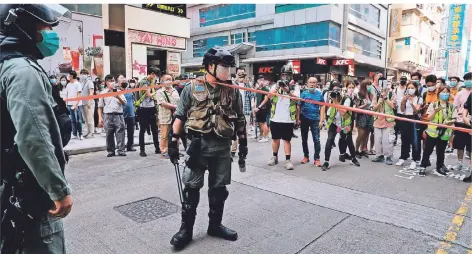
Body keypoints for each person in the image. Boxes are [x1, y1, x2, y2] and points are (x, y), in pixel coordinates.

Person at [0, 4, 73, 253]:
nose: (52, 34)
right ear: (24, 28)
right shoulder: (22, 71)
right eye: (46, 27)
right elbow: (33, 137)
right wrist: (58, 190)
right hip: (28, 194)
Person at [167, 47, 247, 249]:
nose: (227, 71)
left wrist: (243, 143)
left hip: (222, 147)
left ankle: (215, 225)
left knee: (219, 189)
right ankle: (186, 230)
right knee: (191, 188)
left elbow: (239, 118)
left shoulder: (232, 90)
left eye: (229, 67)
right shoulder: (192, 88)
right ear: (210, 66)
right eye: (223, 66)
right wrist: (173, 141)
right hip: (197, 146)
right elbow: (180, 116)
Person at [263, 64, 298, 170]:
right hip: (275, 118)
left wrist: (288, 90)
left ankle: (287, 160)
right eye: (283, 75)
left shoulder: (295, 87)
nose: (285, 77)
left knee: (287, 140)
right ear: (280, 75)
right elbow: (269, 96)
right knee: (275, 139)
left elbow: (297, 99)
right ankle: (274, 157)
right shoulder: (275, 86)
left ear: (291, 76)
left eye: (287, 75)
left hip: (288, 118)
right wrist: (278, 87)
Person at [319, 84, 360, 171]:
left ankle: (353, 158)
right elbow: (327, 111)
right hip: (334, 123)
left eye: (338, 91)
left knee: (349, 141)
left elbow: (343, 113)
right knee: (329, 140)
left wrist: (336, 102)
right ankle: (326, 161)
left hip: (345, 123)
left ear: (341, 91)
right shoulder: (330, 99)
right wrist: (323, 121)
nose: (336, 95)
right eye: (334, 92)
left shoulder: (347, 99)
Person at [419, 87, 457, 176]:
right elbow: (428, 118)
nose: (445, 94)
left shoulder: (452, 106)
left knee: (441, 151)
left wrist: (450, 122)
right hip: (432, 132)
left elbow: (455, 118)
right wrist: (435, 112)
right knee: (427, 150)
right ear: (439, 94)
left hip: (444, 133)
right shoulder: (433, 104)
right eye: (443, 92)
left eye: (447, 92)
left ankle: (439, 166)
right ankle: (423, 166)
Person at [97, 74, 127, 157]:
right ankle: (110, 151)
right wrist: (100, 118)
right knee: (109, 133)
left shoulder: (119, 91)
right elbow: (100, 107)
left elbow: (124, 103)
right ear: (107, 82)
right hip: (108, 115)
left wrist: (118, 97)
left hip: (118, 115)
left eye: (113, 81)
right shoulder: (103, 93)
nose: (113, 83)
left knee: (120, 132)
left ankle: (121, 150)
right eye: (111, 81)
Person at [297, 77, 324, 166]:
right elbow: (299, 106)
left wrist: (321, 120)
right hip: (304, 118)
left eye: (314, 82)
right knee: (304, 139)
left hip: (315, 120)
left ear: (317, 84)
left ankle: (317, 158)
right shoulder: (303, 94)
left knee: (316, 140)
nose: (312, 84)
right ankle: (306, 156)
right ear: (307, 83)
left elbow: (323, 106)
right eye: (310, 82)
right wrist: (298, 118)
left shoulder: (319, 94)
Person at [137, 66, 161, 157]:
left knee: (154, 129)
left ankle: (157, 148)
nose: (156, 78)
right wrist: (156, 93)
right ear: (152, 74)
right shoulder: (144, 82)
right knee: (142, 130)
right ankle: (142, 150)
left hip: (151, 108)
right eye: (156, 76)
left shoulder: (151, 82)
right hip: (144, 109)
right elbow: (148, 95)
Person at [399, 80, 423, 169]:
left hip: (414, 120)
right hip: (405, 118)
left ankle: (414, 159)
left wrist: (412, 104)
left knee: (414, 140)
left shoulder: (419, 98)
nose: (410, 89)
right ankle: (403, 157)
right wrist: (403, 101)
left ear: (416, 88)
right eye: (408, 88)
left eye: (412, 88)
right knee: (404, 139)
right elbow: (402, 110)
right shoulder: (405, 97)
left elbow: (416, 110)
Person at [371, 79, 395, 165]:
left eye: (385, 84)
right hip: (377, 121)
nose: (383, 87)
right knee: (378, 140)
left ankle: (388, 157)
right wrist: (378, 103)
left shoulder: (392, 94)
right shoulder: (376, 95)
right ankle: (379, 155)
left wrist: (385, 98)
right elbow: (373, 109)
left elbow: (393, 106)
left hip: (388, 121)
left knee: (388, 141)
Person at [156, 74, 180, 159]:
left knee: (176, 134)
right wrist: (175, 107)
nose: (169, 81)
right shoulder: (159, 92)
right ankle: (164, 151)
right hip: (165, 117)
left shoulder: (175, 91)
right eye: (167, 79)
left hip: (175, 116)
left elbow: (179, 101)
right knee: (164, 135)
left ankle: (175, 150)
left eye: (170, 79)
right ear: (162, 81)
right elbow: (163, 103)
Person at [452, 72, 472, 172]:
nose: (469, 81)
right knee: (459, 144)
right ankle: (459, 163)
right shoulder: (460, 93)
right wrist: (454, 119)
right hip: (460, 122)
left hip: (470, 124)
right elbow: (454, 108)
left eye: (470, 79)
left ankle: (470, 165)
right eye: (467, 79)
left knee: (470, 146)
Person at [355, 80, 373, 158]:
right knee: (361, 134)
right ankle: (356, 150)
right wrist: (364, 105)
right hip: (362, 115)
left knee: (366, 134)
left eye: (370, 85)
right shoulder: (359, 95)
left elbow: (373, 103)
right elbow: (356, 107)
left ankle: (362, 150)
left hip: (370, 115)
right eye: (367, 85)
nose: (369, 87)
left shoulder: (370, 94)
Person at [65, 70, 84, 139]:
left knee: (78, 120)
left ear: (71, 76)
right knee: (72, 120)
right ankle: (74, 133)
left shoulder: (77, 84)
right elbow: (67, 94)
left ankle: (81, 134)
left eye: (68, 75)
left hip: (77, 105)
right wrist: (66, 104)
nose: (68, 77)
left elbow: (79, 95)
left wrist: (76, 104)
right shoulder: (68, 84)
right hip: (70, 104)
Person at [253, 74, 270, 143]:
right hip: (257, 108)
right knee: (259, 123)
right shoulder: (257, 89)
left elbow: (265, 99)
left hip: (263, 108)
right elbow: (256, 99)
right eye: (260, 80)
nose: (261, 82)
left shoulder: (266, 89)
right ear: (257, 81)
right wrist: (254, 107)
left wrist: (259, 107)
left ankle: (265, 136)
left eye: (263, 80)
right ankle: (261, 135)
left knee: (263, 122)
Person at [79, 69, 95, 138]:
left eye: (84, 73)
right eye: (82, 74)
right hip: (83, 103)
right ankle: (87, 131)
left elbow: (91, 92)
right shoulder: (81, 83)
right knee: (85, 119)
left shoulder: (90, 82)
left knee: (90, 118)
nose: (83, 75)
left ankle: (91, 132)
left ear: (87, 74)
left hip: (89, 103)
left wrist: (89, 101)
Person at [123, 79, 136, 152]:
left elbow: (134, 100)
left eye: (125, 82)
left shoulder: (131, 91)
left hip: (131, 114)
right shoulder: (118, 91)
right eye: (123, 82)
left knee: (131, 132)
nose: (124, 83)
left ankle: (130, 146)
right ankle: (121, 147)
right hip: (122, 114)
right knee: (121, 132)